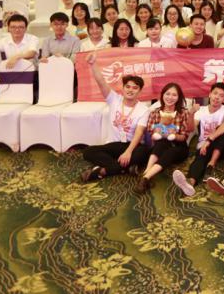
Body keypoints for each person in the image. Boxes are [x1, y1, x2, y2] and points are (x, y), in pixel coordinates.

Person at [79, 54, 150, 182]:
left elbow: (139, 133)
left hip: (131, 145)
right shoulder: (114, 99)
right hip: (113, 145)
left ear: (140, 91)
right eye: (128, 86)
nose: (130, 90)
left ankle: (102, 171)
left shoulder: (144, 109)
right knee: (88, 152)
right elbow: (101, 81)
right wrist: (93, 64)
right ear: (123, 88)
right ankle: (125, 168)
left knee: (144, 152)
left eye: (135, 88)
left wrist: (128, 152)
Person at [172, 82, 224, 195]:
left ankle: (211, 164)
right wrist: (191, 114)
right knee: (200, 159)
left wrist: (209, 139)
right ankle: (190, 183)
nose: (217, 97)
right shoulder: (201, 110)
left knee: (222, 128)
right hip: (205, 147)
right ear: (210, 94)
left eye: (221, 95)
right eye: (215, 93)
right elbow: (190, 129)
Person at [135, 83, 194, 193]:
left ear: (178, 97)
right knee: (161, 143)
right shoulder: (155, 112)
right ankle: (147, 174)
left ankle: (145, 177)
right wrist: (158, 133)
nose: (170, 97)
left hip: (179, 147)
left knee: (170, 152)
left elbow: (184, 136)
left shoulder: (184, 112)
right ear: (162, 95)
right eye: (167, 94)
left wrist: (174, 135)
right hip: (161, 144)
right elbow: (152, 135)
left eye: (174, 95)